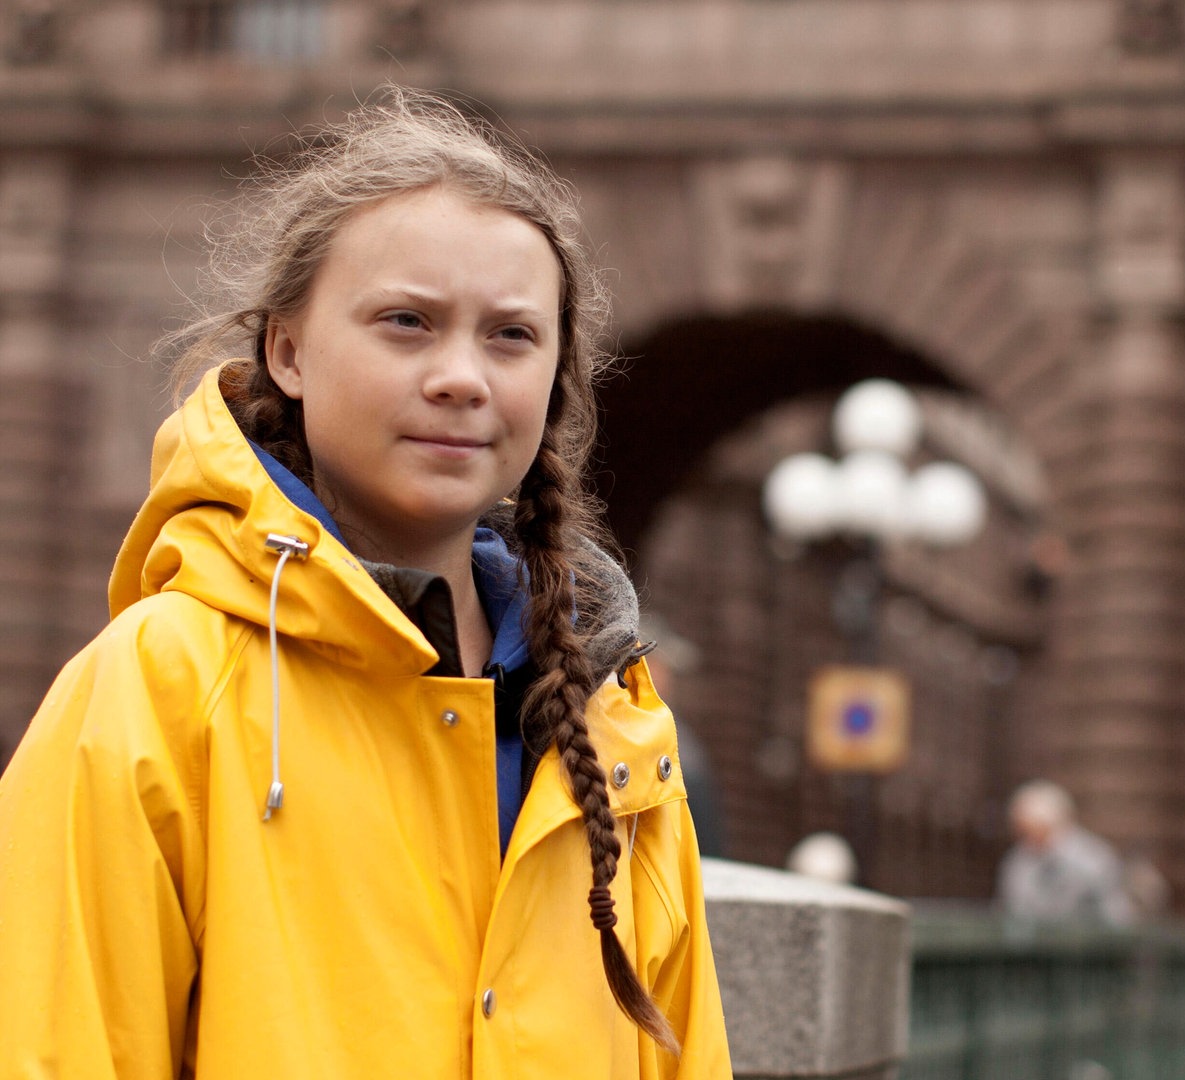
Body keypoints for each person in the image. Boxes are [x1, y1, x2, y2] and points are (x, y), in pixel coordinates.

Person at [0, 88, 730, 1077]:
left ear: (555, 377)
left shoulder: (618, 725)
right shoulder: (158, 689)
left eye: (511, 336)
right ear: (288, 351)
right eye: (407, 323)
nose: (462, 376)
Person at [995, 779, 1135, 926]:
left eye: (1031, 830)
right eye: (1021, 831)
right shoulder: (1017, 861)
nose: (1025, 839)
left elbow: (1116, 916)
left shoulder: (1093, 859)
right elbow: (1009, 912)